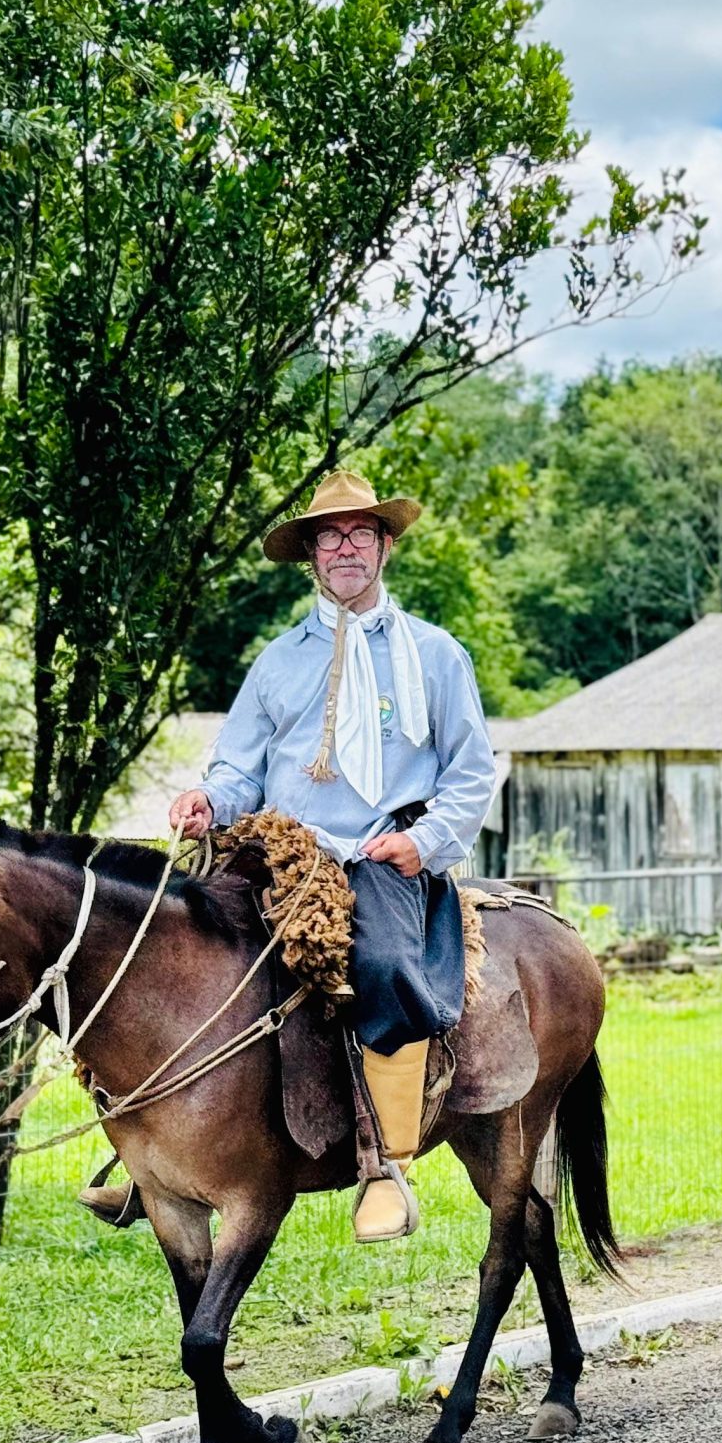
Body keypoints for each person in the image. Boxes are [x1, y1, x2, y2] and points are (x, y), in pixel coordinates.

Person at [164, 469, 498, 1242]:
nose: (345, 548)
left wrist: (423, 843)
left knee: (379, 963)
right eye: (329, 536)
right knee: (186, 946)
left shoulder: (437, 656)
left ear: (384, 546)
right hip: (281, 849)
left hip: (383, 850)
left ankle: (384, 1162)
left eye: (359, 533)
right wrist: (210, 801)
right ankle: (164, 1151)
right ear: (311, 555)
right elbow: (240, 768)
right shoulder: (278, 661)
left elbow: (472, 768)